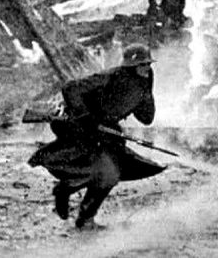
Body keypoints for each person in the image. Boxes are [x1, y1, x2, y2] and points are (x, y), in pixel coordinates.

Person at [28, 43, 165, 231]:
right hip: (78, 125)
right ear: (130, 68)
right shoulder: (111, 76)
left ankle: (68, 191)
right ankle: (82, 215)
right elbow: (71, 89)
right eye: (142, 65)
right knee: (106, 172)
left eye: (148, 64)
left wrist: (147, 92)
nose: (147, 68)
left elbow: (146, 118)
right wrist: (86, 116)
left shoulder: (143, 83)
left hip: (104, 130)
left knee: (110, 171)